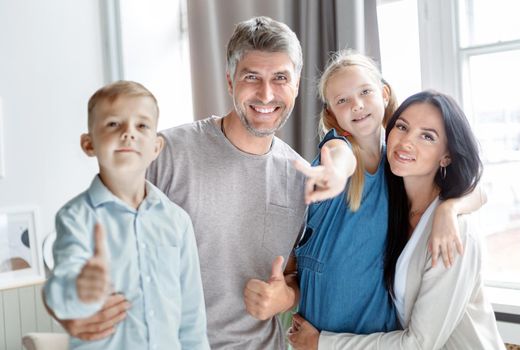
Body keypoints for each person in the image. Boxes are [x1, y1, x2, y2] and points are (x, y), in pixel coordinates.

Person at [44, 17, 352, 350]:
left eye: (280, 78)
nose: (266, 93)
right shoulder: (165, 154)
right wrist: (71, 313)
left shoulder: (300, 177)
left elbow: (299, 272)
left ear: (295, 86)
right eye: (252, 77)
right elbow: (80, 245)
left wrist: (286, 295)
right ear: (230, 81)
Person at [288, 90, 505, 349]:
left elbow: (419, 343)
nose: (406, 142)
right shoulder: (392, 204)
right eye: (402, 127)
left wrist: (322, 343)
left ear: (446, 155)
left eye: (427, 136)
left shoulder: (456, 234)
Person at [44, 81, 209, 349]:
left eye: (141, 125)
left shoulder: (177, 222)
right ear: (88, 144)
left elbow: (192, 319)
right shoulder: (75, 218)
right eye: (113, 124)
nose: (128, 133)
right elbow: (59, 296)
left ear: (156, 147)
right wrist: (80, 288)